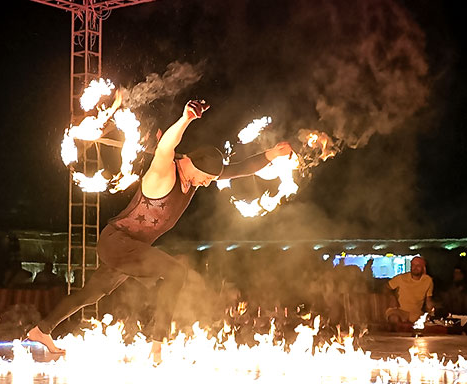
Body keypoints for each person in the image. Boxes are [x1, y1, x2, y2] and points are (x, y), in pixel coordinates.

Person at [28, 99, 294, 355]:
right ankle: (158, 343)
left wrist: (272, 154)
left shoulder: (197, 175)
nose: (208, 183)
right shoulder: (164, 173)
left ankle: (42, 330)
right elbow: (166, 147)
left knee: (91, 295)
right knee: (176, 273)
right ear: (192, 163)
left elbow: (239, 169)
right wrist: (185, 119)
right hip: (117, 241)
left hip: (132, 248)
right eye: (207, 178)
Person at [385, 256, 434, 326]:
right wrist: (392, 297)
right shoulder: (401, 278)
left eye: (418, 265)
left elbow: (428, 299)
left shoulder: (428, 281)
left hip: (415, 314)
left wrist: (431, 311)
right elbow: (386, 287)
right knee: (394, 318)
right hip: (399, 311)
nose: (415, 268)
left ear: (423, 267)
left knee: (427, 323)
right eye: (413, 265)